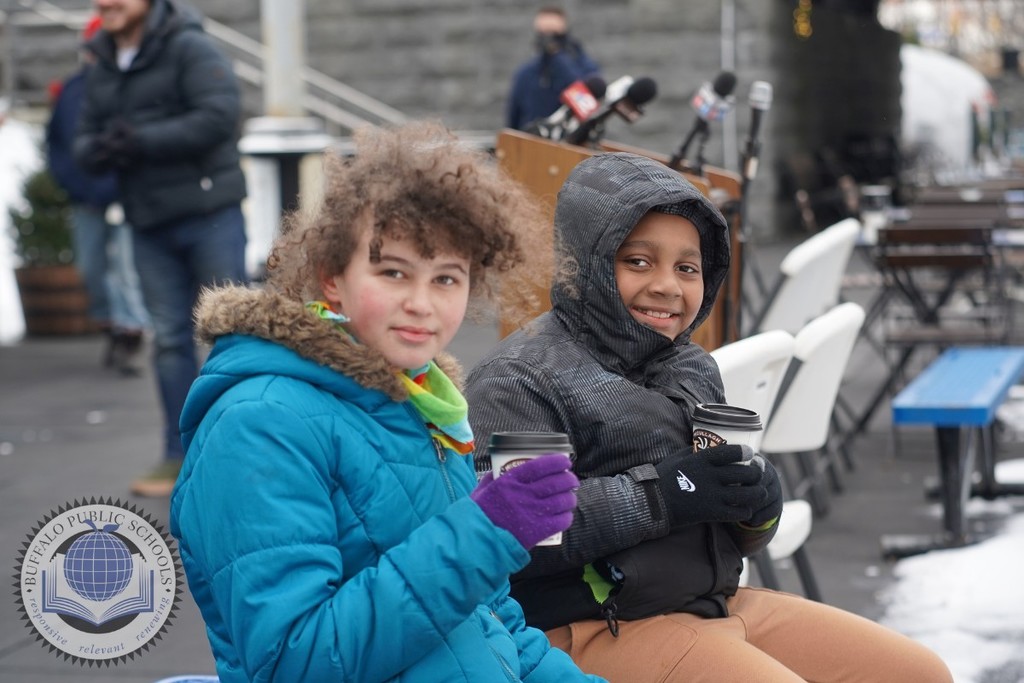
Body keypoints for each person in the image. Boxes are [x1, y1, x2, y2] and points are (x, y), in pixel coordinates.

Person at [465, 152, 954, 682]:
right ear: (584, 263)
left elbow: (722, 523)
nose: (667, 286)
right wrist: (665, 493)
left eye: (687, 268)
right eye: (637, 262)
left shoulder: (689, 364)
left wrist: (757, 504)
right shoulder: (520, 377)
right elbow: (521, 536)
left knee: (918, 673)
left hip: (714, 605)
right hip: (589, 629)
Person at [168, 122, 605, 683]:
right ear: (332, 279)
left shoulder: (426, 403)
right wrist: (485, 531)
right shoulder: (259, 423)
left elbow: (491, 624)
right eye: (393, 272)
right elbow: (295, 662)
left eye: (447, 278)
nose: (421, 303)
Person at [74, 0, 248, 497]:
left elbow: (219, 116)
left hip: (210, 215)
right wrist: (101, 150)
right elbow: (81, 139)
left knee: (229, 335)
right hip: (148, 222)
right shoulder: (101, 62)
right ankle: (178, 455)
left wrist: (140, 140)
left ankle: (240, 450)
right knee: (170, 341)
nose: (106, 3)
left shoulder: (188, 45)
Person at [47, 15, 149, 374]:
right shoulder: (72, 90)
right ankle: (109, 324)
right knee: (90, 267)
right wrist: (74, 183)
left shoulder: (131, 87)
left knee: (126, 268)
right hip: (86, 198)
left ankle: (130, 333)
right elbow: (58, 144)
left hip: (124, 198)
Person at [506, 7, 601, 131]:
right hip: (532, 144)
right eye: (543, 33)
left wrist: (557, 56)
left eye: (554, 33)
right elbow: (514, 120)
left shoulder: (585, 67)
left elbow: (586, 103)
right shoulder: (526, 74)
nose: (547, 40)